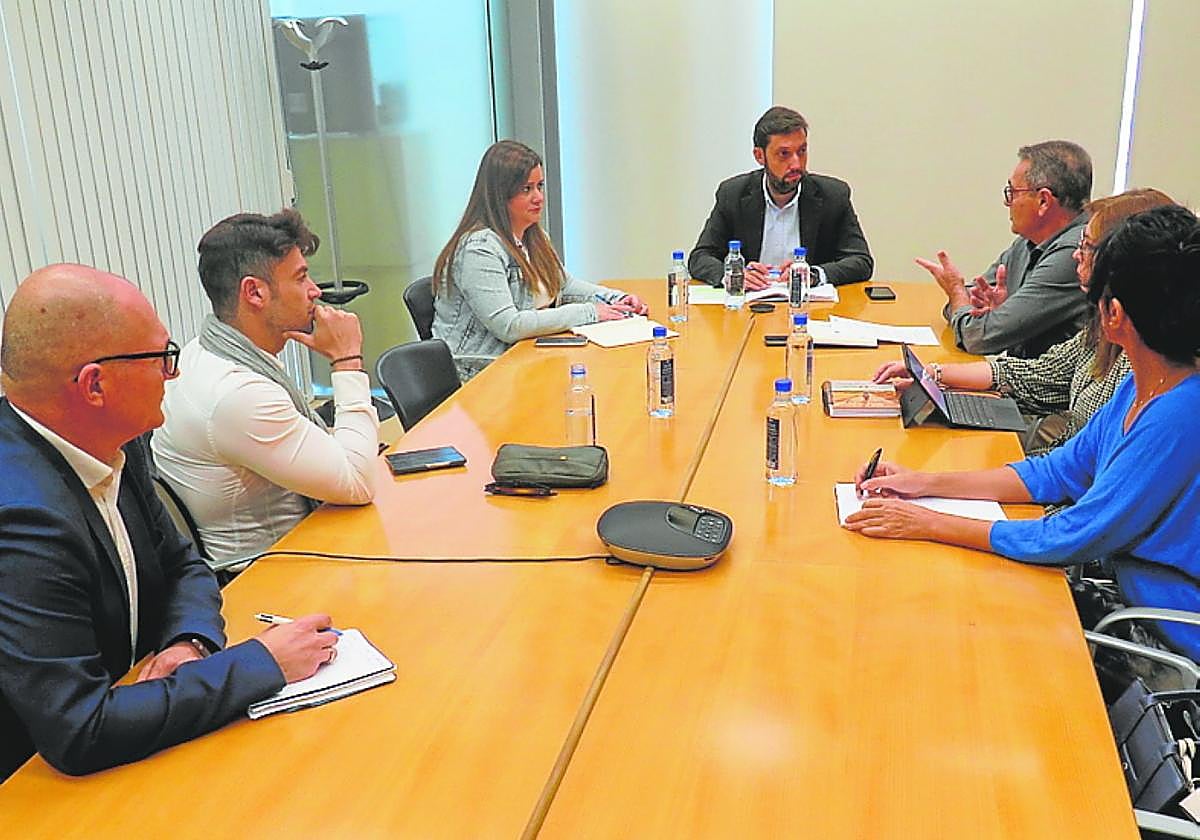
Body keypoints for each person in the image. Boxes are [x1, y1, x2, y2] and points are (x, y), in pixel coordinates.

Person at [0, 264, 338, 779]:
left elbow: (184, 565)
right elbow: (80, 730)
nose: (172, 373)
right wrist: (262, 664)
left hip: (140, 721)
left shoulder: (118, 440)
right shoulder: (24, 518)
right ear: (95, 386)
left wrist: (190, 642)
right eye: (161, 358)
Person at [846, 206, 1200, 677]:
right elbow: (1058, 471)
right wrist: (924, 483)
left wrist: (927, 522)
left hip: (1151, 638)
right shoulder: (1146, 382)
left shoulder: (1178, 414)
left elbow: (1076, 533)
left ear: (1113, 315)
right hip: (1117, 598)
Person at [152, 210, 378, 571]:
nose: (315, 291)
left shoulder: (209, 350)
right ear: (254, 292)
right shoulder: (235, 394)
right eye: (301, 278)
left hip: (307, 544)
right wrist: (347, 359)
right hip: (273, 576)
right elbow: (357, 483)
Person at [872, 189, 1175, 454]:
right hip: (1056, 464)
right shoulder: (1102, 328)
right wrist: (932, 375)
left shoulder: (1151, 369)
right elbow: (1037, 375)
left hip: (1058, 466)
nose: (1076, 257)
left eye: (1086, 247)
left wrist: (957, 296)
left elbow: (978, 334)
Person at [432, 140, 649, 382]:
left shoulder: (532, 236)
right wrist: (591, 313)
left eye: (540, 186)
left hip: (526, 359)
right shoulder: (479, 249)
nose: (538, 198)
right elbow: (509, 325)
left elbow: (564, 286)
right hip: (482, 374)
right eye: (526, 189)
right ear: (499, 195)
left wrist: (615, 300)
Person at [921, 141, 1092, 358]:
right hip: (1016, 379)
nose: (1007, 202)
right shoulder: (1028, 241)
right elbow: (968, 305)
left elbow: (977, 338)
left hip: (1043, 389)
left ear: (1043, 201)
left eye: (1013, 192)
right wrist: (966, 304)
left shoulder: (1075, 254)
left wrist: (956, 292)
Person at [688, 105, 873, 290]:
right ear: (760, 156)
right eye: (784, 154)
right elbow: (700, 257)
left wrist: (815, 274)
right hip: (750, 307)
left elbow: (861, 261)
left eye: (802, 151)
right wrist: (732, 275)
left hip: (809, 309)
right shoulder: (734, 194)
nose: (796, 163)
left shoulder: (832, 195)